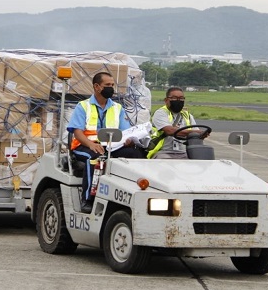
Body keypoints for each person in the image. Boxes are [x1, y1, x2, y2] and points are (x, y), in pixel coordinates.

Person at [67, 72, 143, 213]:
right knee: (94, 158)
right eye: (107, 85)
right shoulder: (83, 106)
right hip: (84, 145)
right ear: (96, 86)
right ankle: (87, 199)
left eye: (112, 85)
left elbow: (124, 131)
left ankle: (135, 195)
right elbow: (77, 132)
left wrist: (127, 140)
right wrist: (91, 145)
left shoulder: (117, 108)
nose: (111, 88)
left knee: (135, 154)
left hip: (110, 146)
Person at [147, 87, 197, 159]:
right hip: (164, 151)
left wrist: (201, 134)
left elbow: (197, 133)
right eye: (174, 98)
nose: (178, 100)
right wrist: (195, 132)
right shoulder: (160, 113)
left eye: (181, 98)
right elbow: (170, 131)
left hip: (184, 152)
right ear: (166, 100)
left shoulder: (188, 116)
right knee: (165, 163)